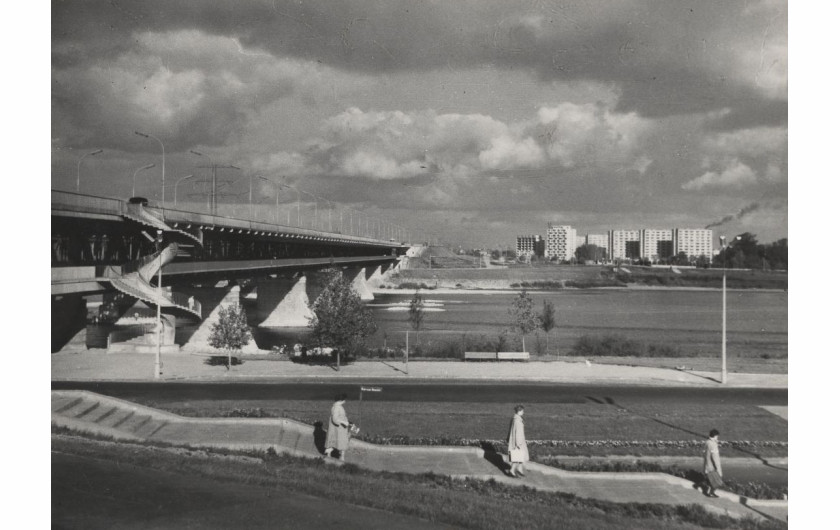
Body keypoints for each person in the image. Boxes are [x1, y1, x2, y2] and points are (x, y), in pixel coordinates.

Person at [324, 393, 353, 461]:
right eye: (344, 400)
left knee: (334, 441)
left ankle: (329, 455)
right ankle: (340, 457)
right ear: (341, 400)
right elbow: (335, 419)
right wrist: (344, 422)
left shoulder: (336, 406)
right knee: (341, 442)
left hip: (338, 428)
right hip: (339, 429)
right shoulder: (337, 408)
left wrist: (347, 421)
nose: (345, 401)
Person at [507, 405, 529, 477]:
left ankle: (519, 469)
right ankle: (512, 471)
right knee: (517, 456)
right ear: (519, 411)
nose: (523, 412)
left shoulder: (515, 418)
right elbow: (518, 432)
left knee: (520, 456)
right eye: (522, 411)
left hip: (517, 440)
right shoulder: (517, 421)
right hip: (518, 442)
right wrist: (518, 444)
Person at [704, 429, 724, 497]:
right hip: (713, 467)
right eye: (717, 436)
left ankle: (711, 492)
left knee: (712, 480)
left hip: (707, 465)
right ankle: (711, 493)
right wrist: (718, 469)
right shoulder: (713, 444)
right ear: (715, 436)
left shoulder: (707, 442)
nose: (717, 437)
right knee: (718, 481)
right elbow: (715, 457)